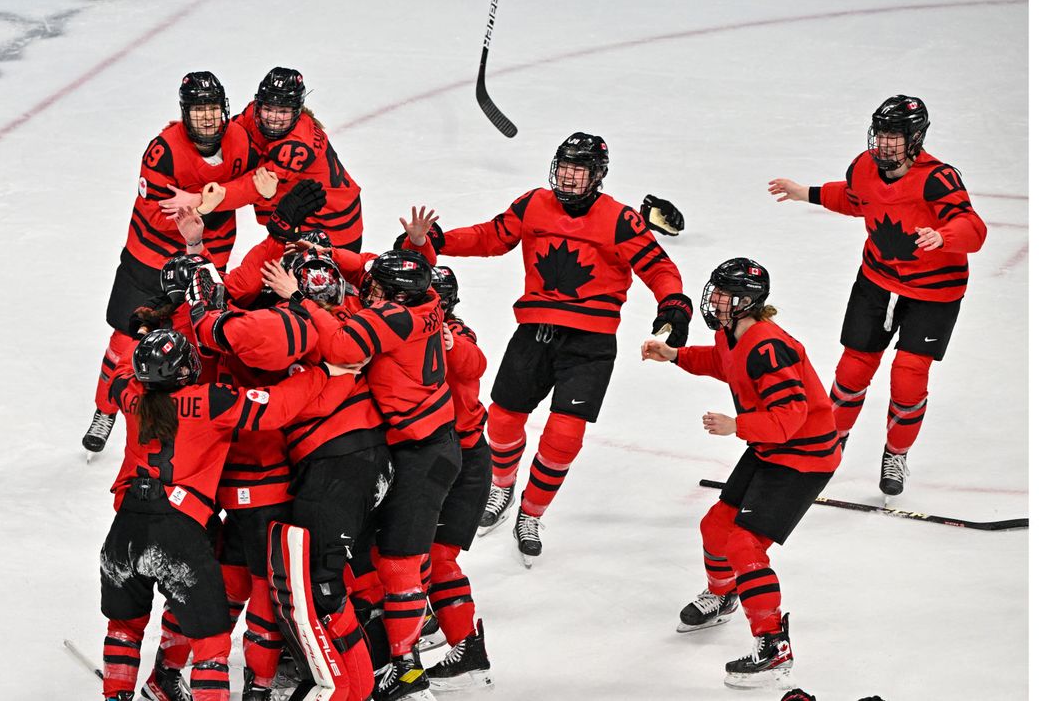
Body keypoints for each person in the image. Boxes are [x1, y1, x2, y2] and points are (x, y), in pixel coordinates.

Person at [399, 132, 691, 565]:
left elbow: (658, 266)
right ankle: (502, 486)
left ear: (598, 176)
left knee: (564, 435)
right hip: (534, 330)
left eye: (580, 170)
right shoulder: (533, 203)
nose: (569, 177)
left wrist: (674, 304)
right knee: (500, 421)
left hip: (590, 341)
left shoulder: (620, 219)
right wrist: (433, 241)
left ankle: (531, 514)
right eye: (566, 167)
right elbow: (491, 236)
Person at [97, 328, 359, 701]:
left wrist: (140, 330)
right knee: (211, 645)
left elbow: (123, 364)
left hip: (124, 530)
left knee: (123, 626)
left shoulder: (128, 393)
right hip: (177, 531)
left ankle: (116, 695)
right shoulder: (210, 400)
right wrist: (325, 374)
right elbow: (277, 406)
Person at [767, 94, 986, 499]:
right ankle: (826, 445)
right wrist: (806, 193)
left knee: (908, 375)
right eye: (882, 133)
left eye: (895, 136)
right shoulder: (863, 167)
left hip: (934, 293)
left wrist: (944, 236)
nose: (885, 143)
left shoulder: (939, 178)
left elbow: (974, 227)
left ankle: (896, 454)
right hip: (878, 281)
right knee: (852, 370)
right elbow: (854, 200)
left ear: (915, 137)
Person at [641, 258, 841, 690]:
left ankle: (773, 646)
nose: (714, 300)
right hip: (772, 447)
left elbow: (790, 417)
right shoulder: (732, 335)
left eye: (724, 294)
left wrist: (737, 426)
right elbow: (722, 362)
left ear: (749, 302)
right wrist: (675, 355)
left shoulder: (769, 347)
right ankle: (724, 594)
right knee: (715, 526)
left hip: (803, 456)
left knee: (744, 542)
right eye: (715, 290)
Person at [270, 249, 459, 701]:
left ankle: (409, 671)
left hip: (422, 453)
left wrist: (301, 298)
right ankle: (398, 651)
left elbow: (341, 347)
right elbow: (374, 275)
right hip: (427, 444)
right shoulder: (427, 298)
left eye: (378, 289)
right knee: (380, 555)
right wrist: (325, 252)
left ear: (394, 296)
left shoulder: (394, 318)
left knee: (398, 563)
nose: (368, 291)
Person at [84, 71, 278, 457]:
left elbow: (259, 188)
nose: (206, 118)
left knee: (194, 340)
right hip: (148, 261)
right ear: (184, 113)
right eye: (197, 110)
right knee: (125, 340)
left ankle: (180, 419)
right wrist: (212, 200)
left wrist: (214, 198)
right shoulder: (162, 151)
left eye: (211, 109)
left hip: (205, 258)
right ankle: (105, 409)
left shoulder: (240, 140)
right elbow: (156, 214)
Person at [420, 266, 494, 692]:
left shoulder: (456, 335)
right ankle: (441, 627)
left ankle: (464, 645)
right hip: (440, 458)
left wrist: (448, 343)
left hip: (463, 461)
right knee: (420, 556)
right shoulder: (409, 329)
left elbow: (473, 361)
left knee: (435, 557)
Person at [240, 67, 364, 251]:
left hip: (332, 227)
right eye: (268, 108)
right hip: (305, 217)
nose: (273, 117)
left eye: (282, 111)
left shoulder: (297, 146)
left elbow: (249, 189)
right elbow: (230, 138)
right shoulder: (254, 113)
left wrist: (198, 201)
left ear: (296, 110)